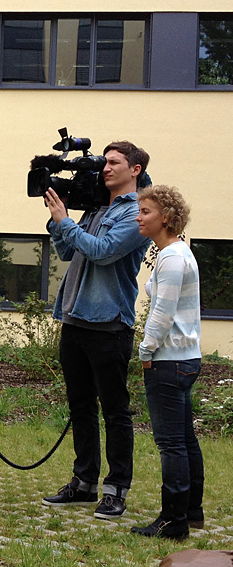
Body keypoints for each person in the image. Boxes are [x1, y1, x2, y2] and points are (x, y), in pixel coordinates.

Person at [41, 141, 151, 519]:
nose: (106, 168)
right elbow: (70, 252)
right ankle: (84, 482)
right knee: (81, 406)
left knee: (115, 411)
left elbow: (103, 250)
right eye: (104, 162)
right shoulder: (97, 207)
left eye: (114, 162)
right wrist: (59, 223)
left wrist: (66, 222)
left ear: (134, 170)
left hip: (108, 324)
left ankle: (116, 489)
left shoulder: (137, 212)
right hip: (74, 319)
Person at [131, 185, 202, 539]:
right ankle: (192, 511)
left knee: (171, 443)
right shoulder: (175, 254)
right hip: (184, 359)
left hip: (169, 360)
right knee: (185, 439)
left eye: (145, 212)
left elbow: (161, 313)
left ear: (167, 218)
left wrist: (145, 352)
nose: (138, 217)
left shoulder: (172, 257)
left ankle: (173, 521)